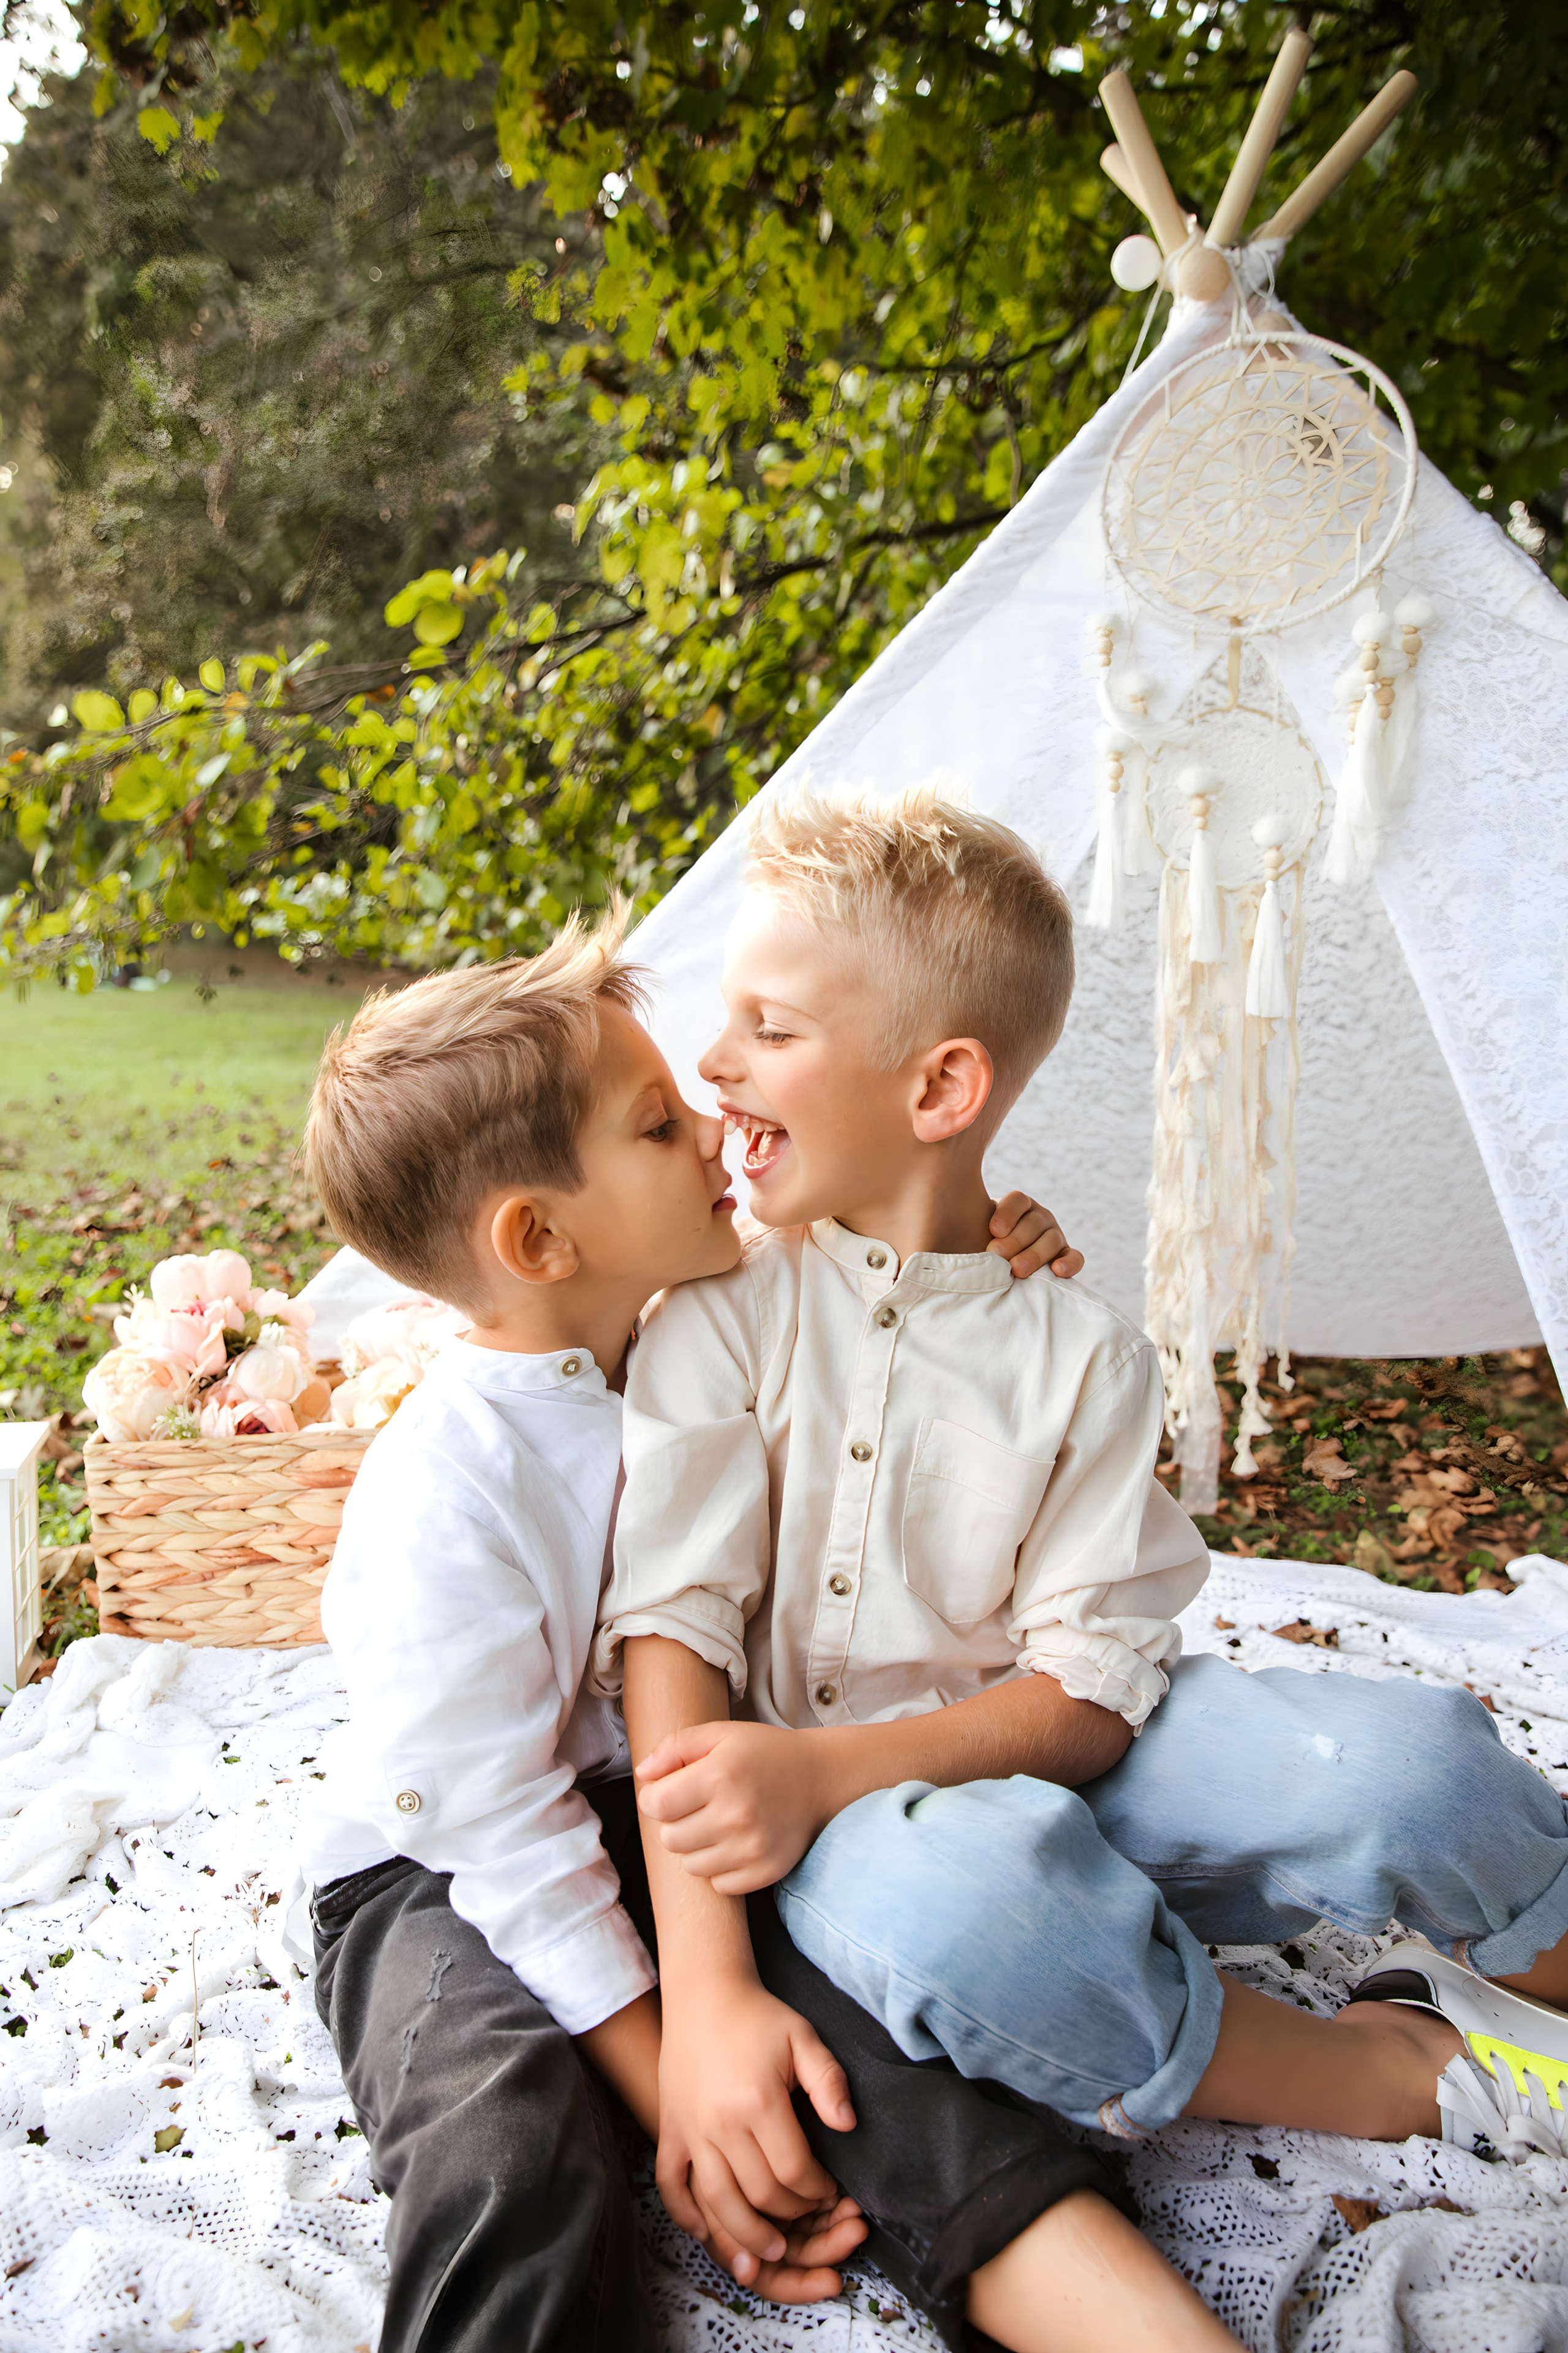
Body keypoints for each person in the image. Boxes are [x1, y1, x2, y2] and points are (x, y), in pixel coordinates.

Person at [597, 786, 1568, 2285]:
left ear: (940, 1088)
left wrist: (828, 1765)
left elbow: (1092, 1699)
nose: (712, 1063)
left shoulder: (1081, 1354)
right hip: (846, 1840)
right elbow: (674, 1625)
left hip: (1054, 1754)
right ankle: (1395, 2067)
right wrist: (712, 1983)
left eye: (767, 1028)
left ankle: (1543, 1974)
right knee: (977, 1918)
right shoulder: (714, 1318)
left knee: (1411, 1767)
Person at [295, 925, 1240, 2353]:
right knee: (501, 2142)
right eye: (655, 1125)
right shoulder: (446, 1485)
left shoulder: (709, 1321)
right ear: (540, 1241)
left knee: (870, 2084)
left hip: (680, 1810)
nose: (712, 1130)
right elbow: (496, 1825)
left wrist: (993, 1247)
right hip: (440, 1868)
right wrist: (671, 2065)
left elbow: (884, 1277)